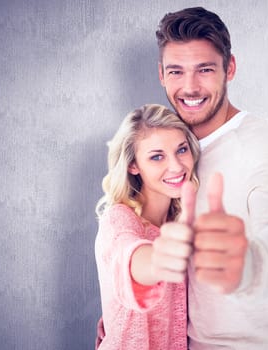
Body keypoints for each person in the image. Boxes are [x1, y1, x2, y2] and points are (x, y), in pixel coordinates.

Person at [153, 7, 268, 350]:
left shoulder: (260, 143)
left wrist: (249, 266)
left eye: (205, 70)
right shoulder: (168, 147)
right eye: (176, 71)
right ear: (162, 74)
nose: (189, 87)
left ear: (230, 68)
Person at [94, 104, 200, 350]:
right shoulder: (118, 220)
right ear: (133, 165)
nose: (176, 166)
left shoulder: (177, 220)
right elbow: (132, 259)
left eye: (181, 150)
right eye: (157, 156)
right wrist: (164, 257)